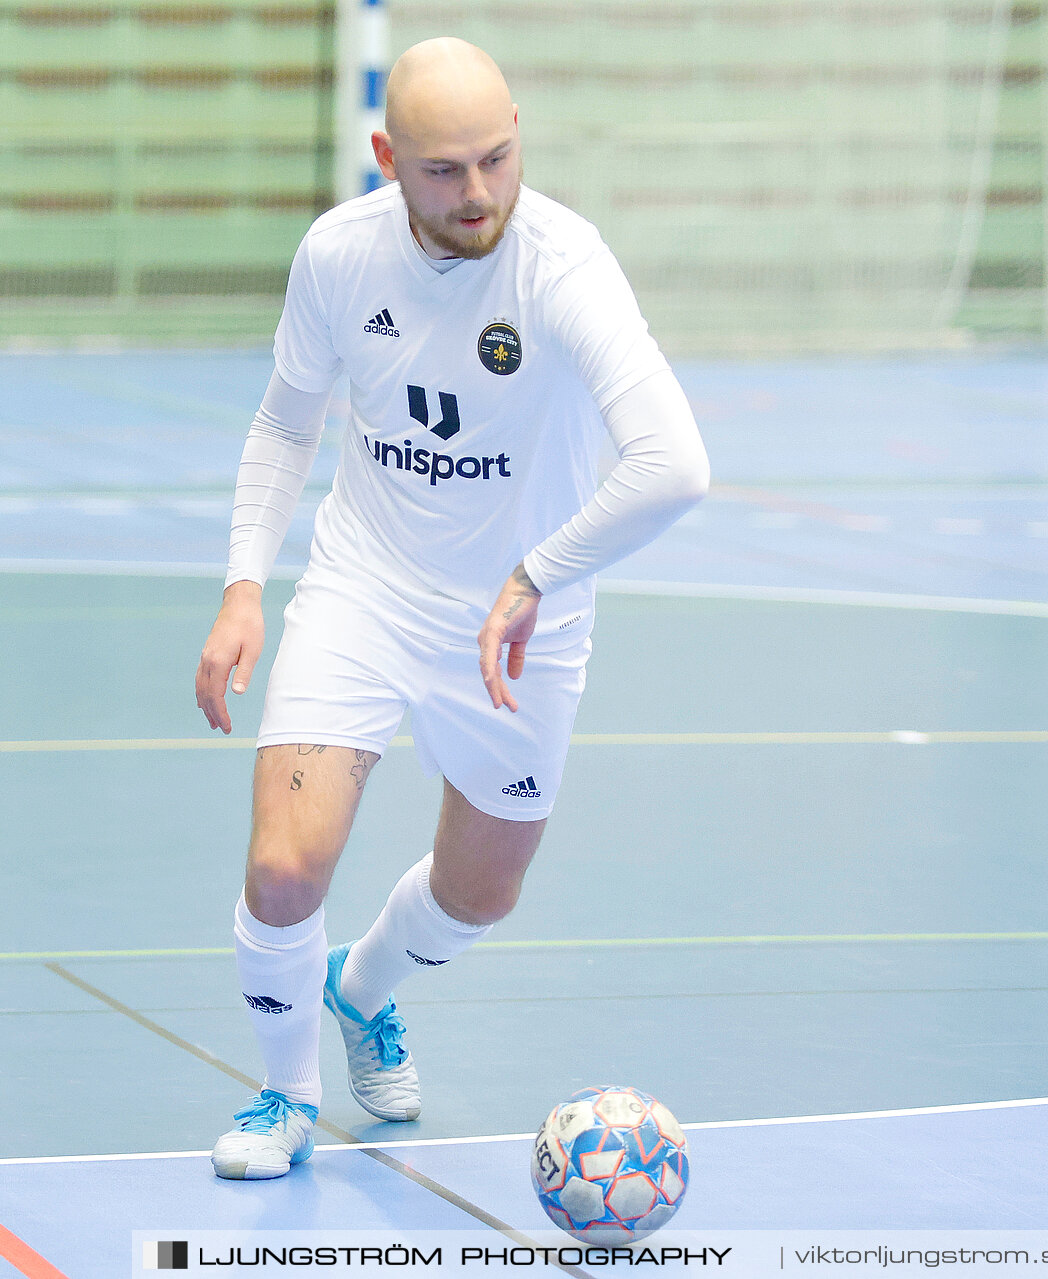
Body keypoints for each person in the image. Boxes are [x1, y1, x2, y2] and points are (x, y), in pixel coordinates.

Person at [191, 37, 710, 1180]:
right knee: (284, 867)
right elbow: (287, 423)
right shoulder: (338, 256)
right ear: (386, 157)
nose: (477, 193)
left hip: (523, 627)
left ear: (519, 130)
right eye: (442, 170)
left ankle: (362, 989)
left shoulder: (564, 266)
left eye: (497, 157)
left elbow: (675, 463)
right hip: (364, 589)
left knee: (482, 892)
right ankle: (285, 1095)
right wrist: (243, 585)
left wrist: (535, 576)